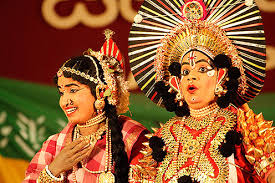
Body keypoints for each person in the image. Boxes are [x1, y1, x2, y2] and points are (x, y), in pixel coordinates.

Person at [128, 0, 274, 182]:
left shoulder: (245, 127)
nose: (191, 77)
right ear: (175, 82)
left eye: (203, 69)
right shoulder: (162, 137)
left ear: (221, 76)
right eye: (185, 72)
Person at [23, 30, 148, 183]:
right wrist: (54, 169)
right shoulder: (55, 145)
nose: (65, 101)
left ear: (101, 92)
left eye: (73, 90)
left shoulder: (132, 136)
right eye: (62, 93)